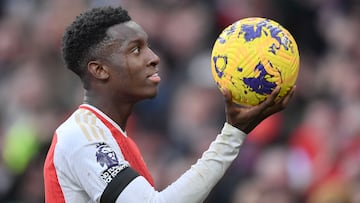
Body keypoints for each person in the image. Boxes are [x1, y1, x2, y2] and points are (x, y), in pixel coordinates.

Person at [43, 6, 295, 203]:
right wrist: (232, 134)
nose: (154, 58)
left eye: (148, 47)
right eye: (136, 50)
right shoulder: (81, 137)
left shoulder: (114, 136)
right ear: (99, 70)